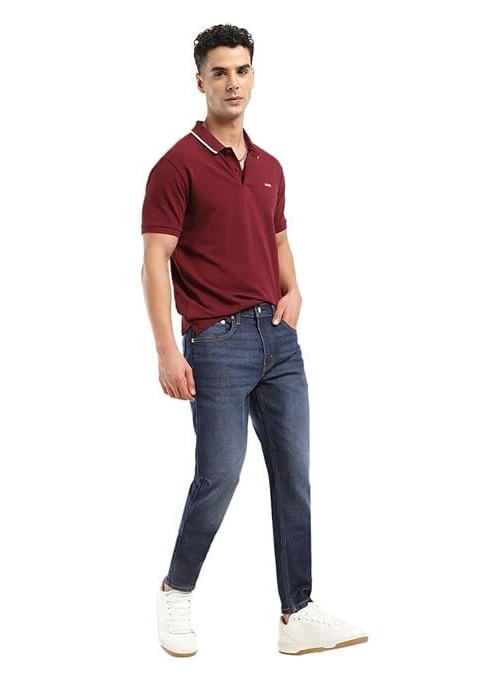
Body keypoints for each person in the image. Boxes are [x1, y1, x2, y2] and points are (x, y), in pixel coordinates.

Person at [141, 23, 368, 657]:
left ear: (253, 75)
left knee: (294, 475)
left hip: (278, 339)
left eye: (241, 70)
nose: (232, 83)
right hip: (215, 342)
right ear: (200, 81)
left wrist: (295, 291)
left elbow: (277, 239)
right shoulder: (177, 165)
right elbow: (154, 260)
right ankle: (176, 590)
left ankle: (297, 613)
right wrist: (166, 350)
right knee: (219, 474)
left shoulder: (269, 166)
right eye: (219, 72)